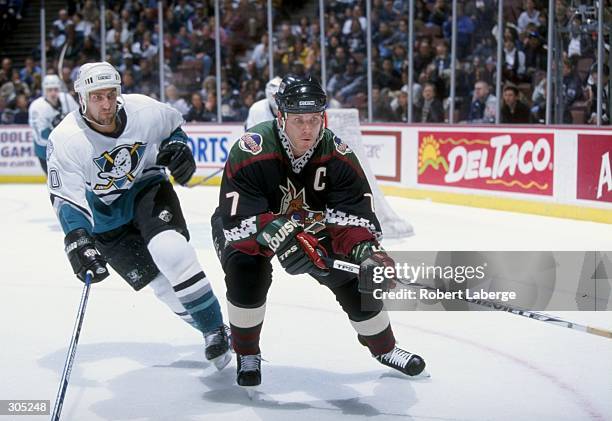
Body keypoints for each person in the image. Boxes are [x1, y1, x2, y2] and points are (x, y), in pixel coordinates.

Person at [211, 74, 426, 388]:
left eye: (314, 119)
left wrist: (367, 252)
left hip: (311, 229)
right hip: (249, 230)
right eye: (299, 120)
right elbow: (237, 220)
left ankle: (385, 348)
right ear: (281, 118)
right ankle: (247, 353)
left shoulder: (338, 155)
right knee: (247, 271)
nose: (308, 129)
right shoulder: (252, 149)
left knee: (352, 279)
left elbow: (353, 219)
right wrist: (284, 235)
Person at [46, 62, 231, 369]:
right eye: (97, 97)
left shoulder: (143, 110)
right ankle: (208, 327)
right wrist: (77, 238)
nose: (106, 104)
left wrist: (178, 146)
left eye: (110, 94)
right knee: (158, 284)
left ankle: (215, 328)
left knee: (170, 251)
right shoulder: (66, 138)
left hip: (146, 186)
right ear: (82, 99)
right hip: (103, 215)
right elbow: (66, 196)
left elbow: (173, 128)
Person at [28, 74, 78, 174]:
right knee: (56, 184)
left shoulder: (66, 99)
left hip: (66, 150)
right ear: (44, 90)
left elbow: (80, 117)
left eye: (55, 89)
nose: (53, 93)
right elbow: (40, 138)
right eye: (49, 90)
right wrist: (54, 128)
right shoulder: (37, 107)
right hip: (46, 152)